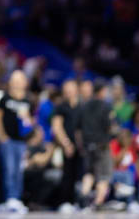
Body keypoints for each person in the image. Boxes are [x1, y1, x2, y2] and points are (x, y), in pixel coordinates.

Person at [0, 70, 33, 214]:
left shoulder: (27, 100)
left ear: (25, 83)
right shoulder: (4, 98)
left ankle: (17, 198)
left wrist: (27, 120)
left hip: (21, 141)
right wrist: (2, 136)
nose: (17, 83)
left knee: (19, 170)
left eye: (20, 80)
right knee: (9, 169)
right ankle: (10, 198)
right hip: (8, 140)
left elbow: (30, 121)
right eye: (14, 80)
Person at [79, 82, 114, 210]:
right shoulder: (106, 106)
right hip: (102, 145)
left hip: (87, 144)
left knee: (89, 172)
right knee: (103, 175)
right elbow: (109, 126)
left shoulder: (84, 105)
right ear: (102, 91)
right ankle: (98, 203)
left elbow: (79, 127)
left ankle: (83, 196)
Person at [51, 79, 83, 211]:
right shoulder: (61, 107)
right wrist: (66, 143)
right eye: (66, 90)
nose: (68, 92)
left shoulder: (82, 107)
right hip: (67, 146)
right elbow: (57, 126)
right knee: (67, 174)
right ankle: (65, 202)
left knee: (80, 174)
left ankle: (78, 201)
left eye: (71, 89)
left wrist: (82, 145)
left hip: (80, 147)